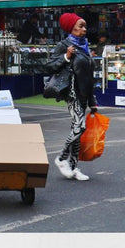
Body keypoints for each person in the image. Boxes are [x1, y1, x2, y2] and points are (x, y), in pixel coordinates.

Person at [43, 13, 97, 181]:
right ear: (71, 28)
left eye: (85, 26)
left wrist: (92, 101)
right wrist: (66, 57)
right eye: (80, 26)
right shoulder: (64, 45)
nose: (84, 29)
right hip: (72, 93)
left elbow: (89, 77)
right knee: (79, 126)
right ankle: (61, 158)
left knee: (77, 131)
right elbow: (49, 66)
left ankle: (73, 167)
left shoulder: (85, 47)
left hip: (83, 93)